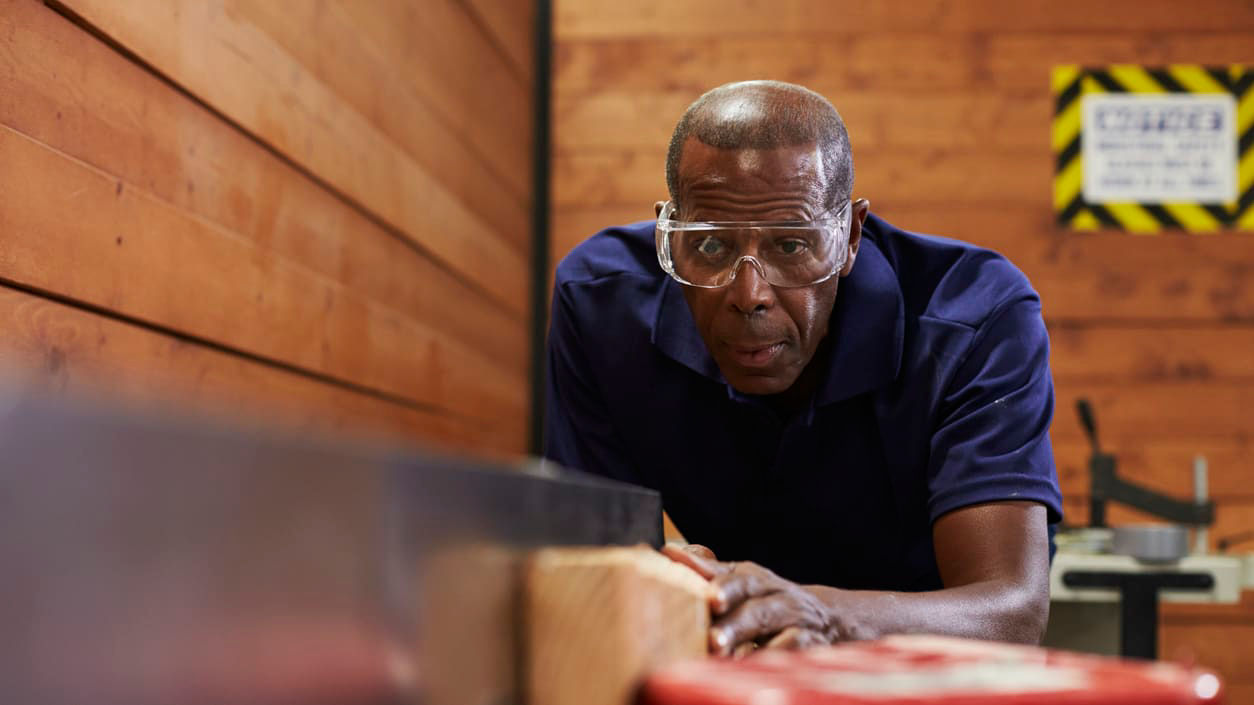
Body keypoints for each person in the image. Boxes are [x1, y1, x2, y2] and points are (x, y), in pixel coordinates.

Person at [544, 80, 1062, 655]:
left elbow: (1012, 611)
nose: (750, 295)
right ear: (670, 230)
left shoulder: (974, 319)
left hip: (921, 674)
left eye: (791, 245)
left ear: (850, 237)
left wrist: (822, 616)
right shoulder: (601, 305)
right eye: (710, 245)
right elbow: (592, 549)